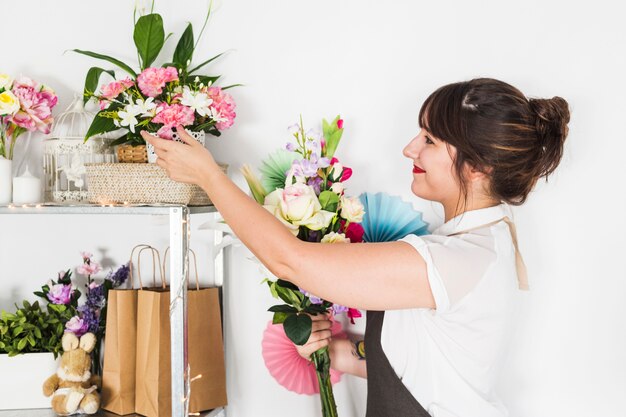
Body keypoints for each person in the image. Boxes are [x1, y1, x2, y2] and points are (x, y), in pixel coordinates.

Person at [142, 77, 570, 417]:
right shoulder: (478, 244)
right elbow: (435, 367)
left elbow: (289, 259)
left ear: (478, 166)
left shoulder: (455, 259)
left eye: (430, 140)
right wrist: (340, 355)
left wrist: (209, 178)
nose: (409, 149)